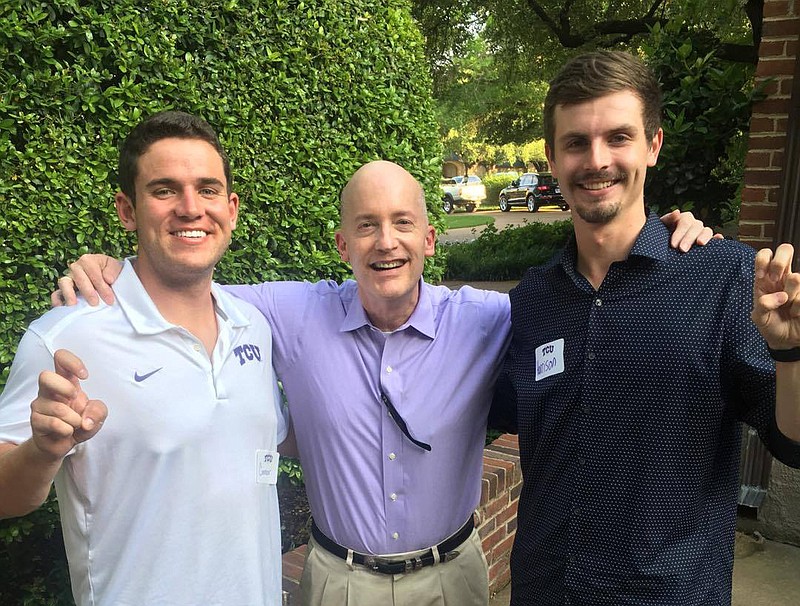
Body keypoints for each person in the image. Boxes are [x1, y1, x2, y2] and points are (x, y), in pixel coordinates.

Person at [54, 160, 713, 606]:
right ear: (343, 245)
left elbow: (586, 301)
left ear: (429, 239)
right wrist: (118, 268)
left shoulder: (486, 319)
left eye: (401, 223)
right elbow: (187, 285)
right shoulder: (288, 313)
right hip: (337, 582)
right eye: (366, 225)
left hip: (453, 577)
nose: (384, 241)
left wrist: (660, 243)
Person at [490, 50, 800, 605]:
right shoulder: (534, 299)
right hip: (544, 588)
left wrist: (793, 353)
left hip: (668, 594)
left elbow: (792, 443)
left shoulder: (721, 278)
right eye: (576, 143)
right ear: (552, 158)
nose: (597, 160)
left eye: (619, 137)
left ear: (653, 146)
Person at [0, 111, 288, 605]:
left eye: (208, 189)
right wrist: (42, 452)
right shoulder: (65, 336)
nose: (191, 208)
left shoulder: (253, 326)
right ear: (127, 210)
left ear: (232, 207)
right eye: (165, 190)